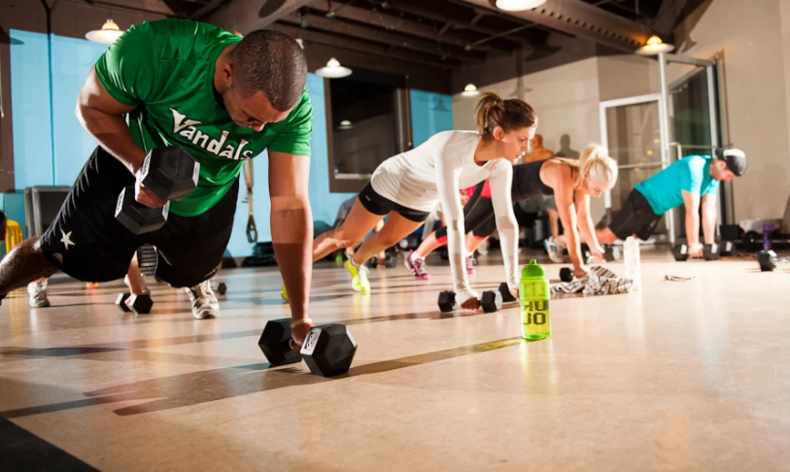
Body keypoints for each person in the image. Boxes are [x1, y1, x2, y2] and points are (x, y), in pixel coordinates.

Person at [0, 19, 315, 344]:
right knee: (52, 253)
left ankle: (198, 282)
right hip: (128, 165)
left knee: (193, 271)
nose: (258, 130)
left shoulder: (295, 111)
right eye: (251, 117)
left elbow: (290, 205)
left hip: (207, 194)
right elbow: (90, 105)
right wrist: (141, 166)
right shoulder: (156, 49)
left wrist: (300, 317)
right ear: (227, 73)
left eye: (270, 122)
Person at [305, 92, 534, 309]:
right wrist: (462, 288)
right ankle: (296, 276)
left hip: (423, 195)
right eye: (522, 140)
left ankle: (354, 264)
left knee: (386, 240)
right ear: (499, 134)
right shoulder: (452, 147)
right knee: (346, 238)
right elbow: (454, 222)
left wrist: (514, 281)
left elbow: (505, 221)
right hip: (394, 180)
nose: (527, 149)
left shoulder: (501, 166)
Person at [407, 144, 619, 280]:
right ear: (589, 174)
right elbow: (570, 224)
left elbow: (583, 217)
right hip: (496, 183)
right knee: (462, 227)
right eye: (597, 190)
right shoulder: (564, 174)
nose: (597, 195)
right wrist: (578, 265)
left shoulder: (581, 177)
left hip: (510, 195)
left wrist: (595, 248)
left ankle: (466, 255)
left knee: (484, 231)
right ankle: (416, 256)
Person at [593, 148, 747, 258]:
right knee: (609, 236)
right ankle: (570, 239)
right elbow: (692, 210)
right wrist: (693, 244)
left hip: (656, 208)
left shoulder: (714, 177)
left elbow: (709, 210)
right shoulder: (695, 168)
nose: (728, 179)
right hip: (644, 198)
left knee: (632, 236)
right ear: (722, 165)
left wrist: (709, 245)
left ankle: (583, 244)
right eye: (730, 175)